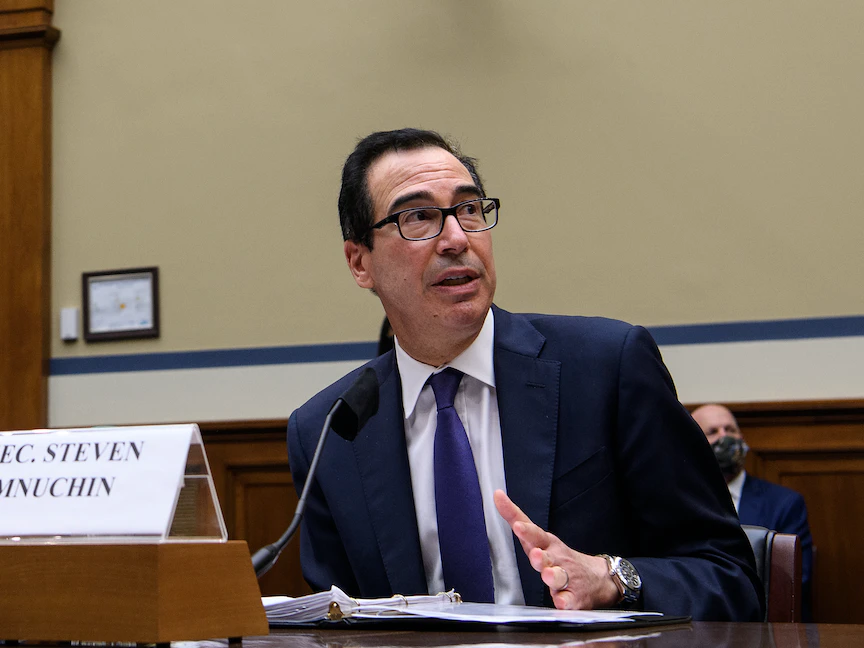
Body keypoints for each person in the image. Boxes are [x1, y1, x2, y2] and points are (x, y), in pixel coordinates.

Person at [287, 128, 762, 621]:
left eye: (469, 209)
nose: (457, 238)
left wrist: (611, 579)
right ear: (359, 262)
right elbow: (334, 624)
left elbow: (730, 578)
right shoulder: (328, 432)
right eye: (418, 218)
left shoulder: (607, 368)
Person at [691, 403, 814, 620]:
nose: (724, 437)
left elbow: (794, 581)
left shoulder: (784, 503)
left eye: (730, 430)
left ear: (742, 438)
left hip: (762, 622)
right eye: (712, 432)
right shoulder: (683, 501)